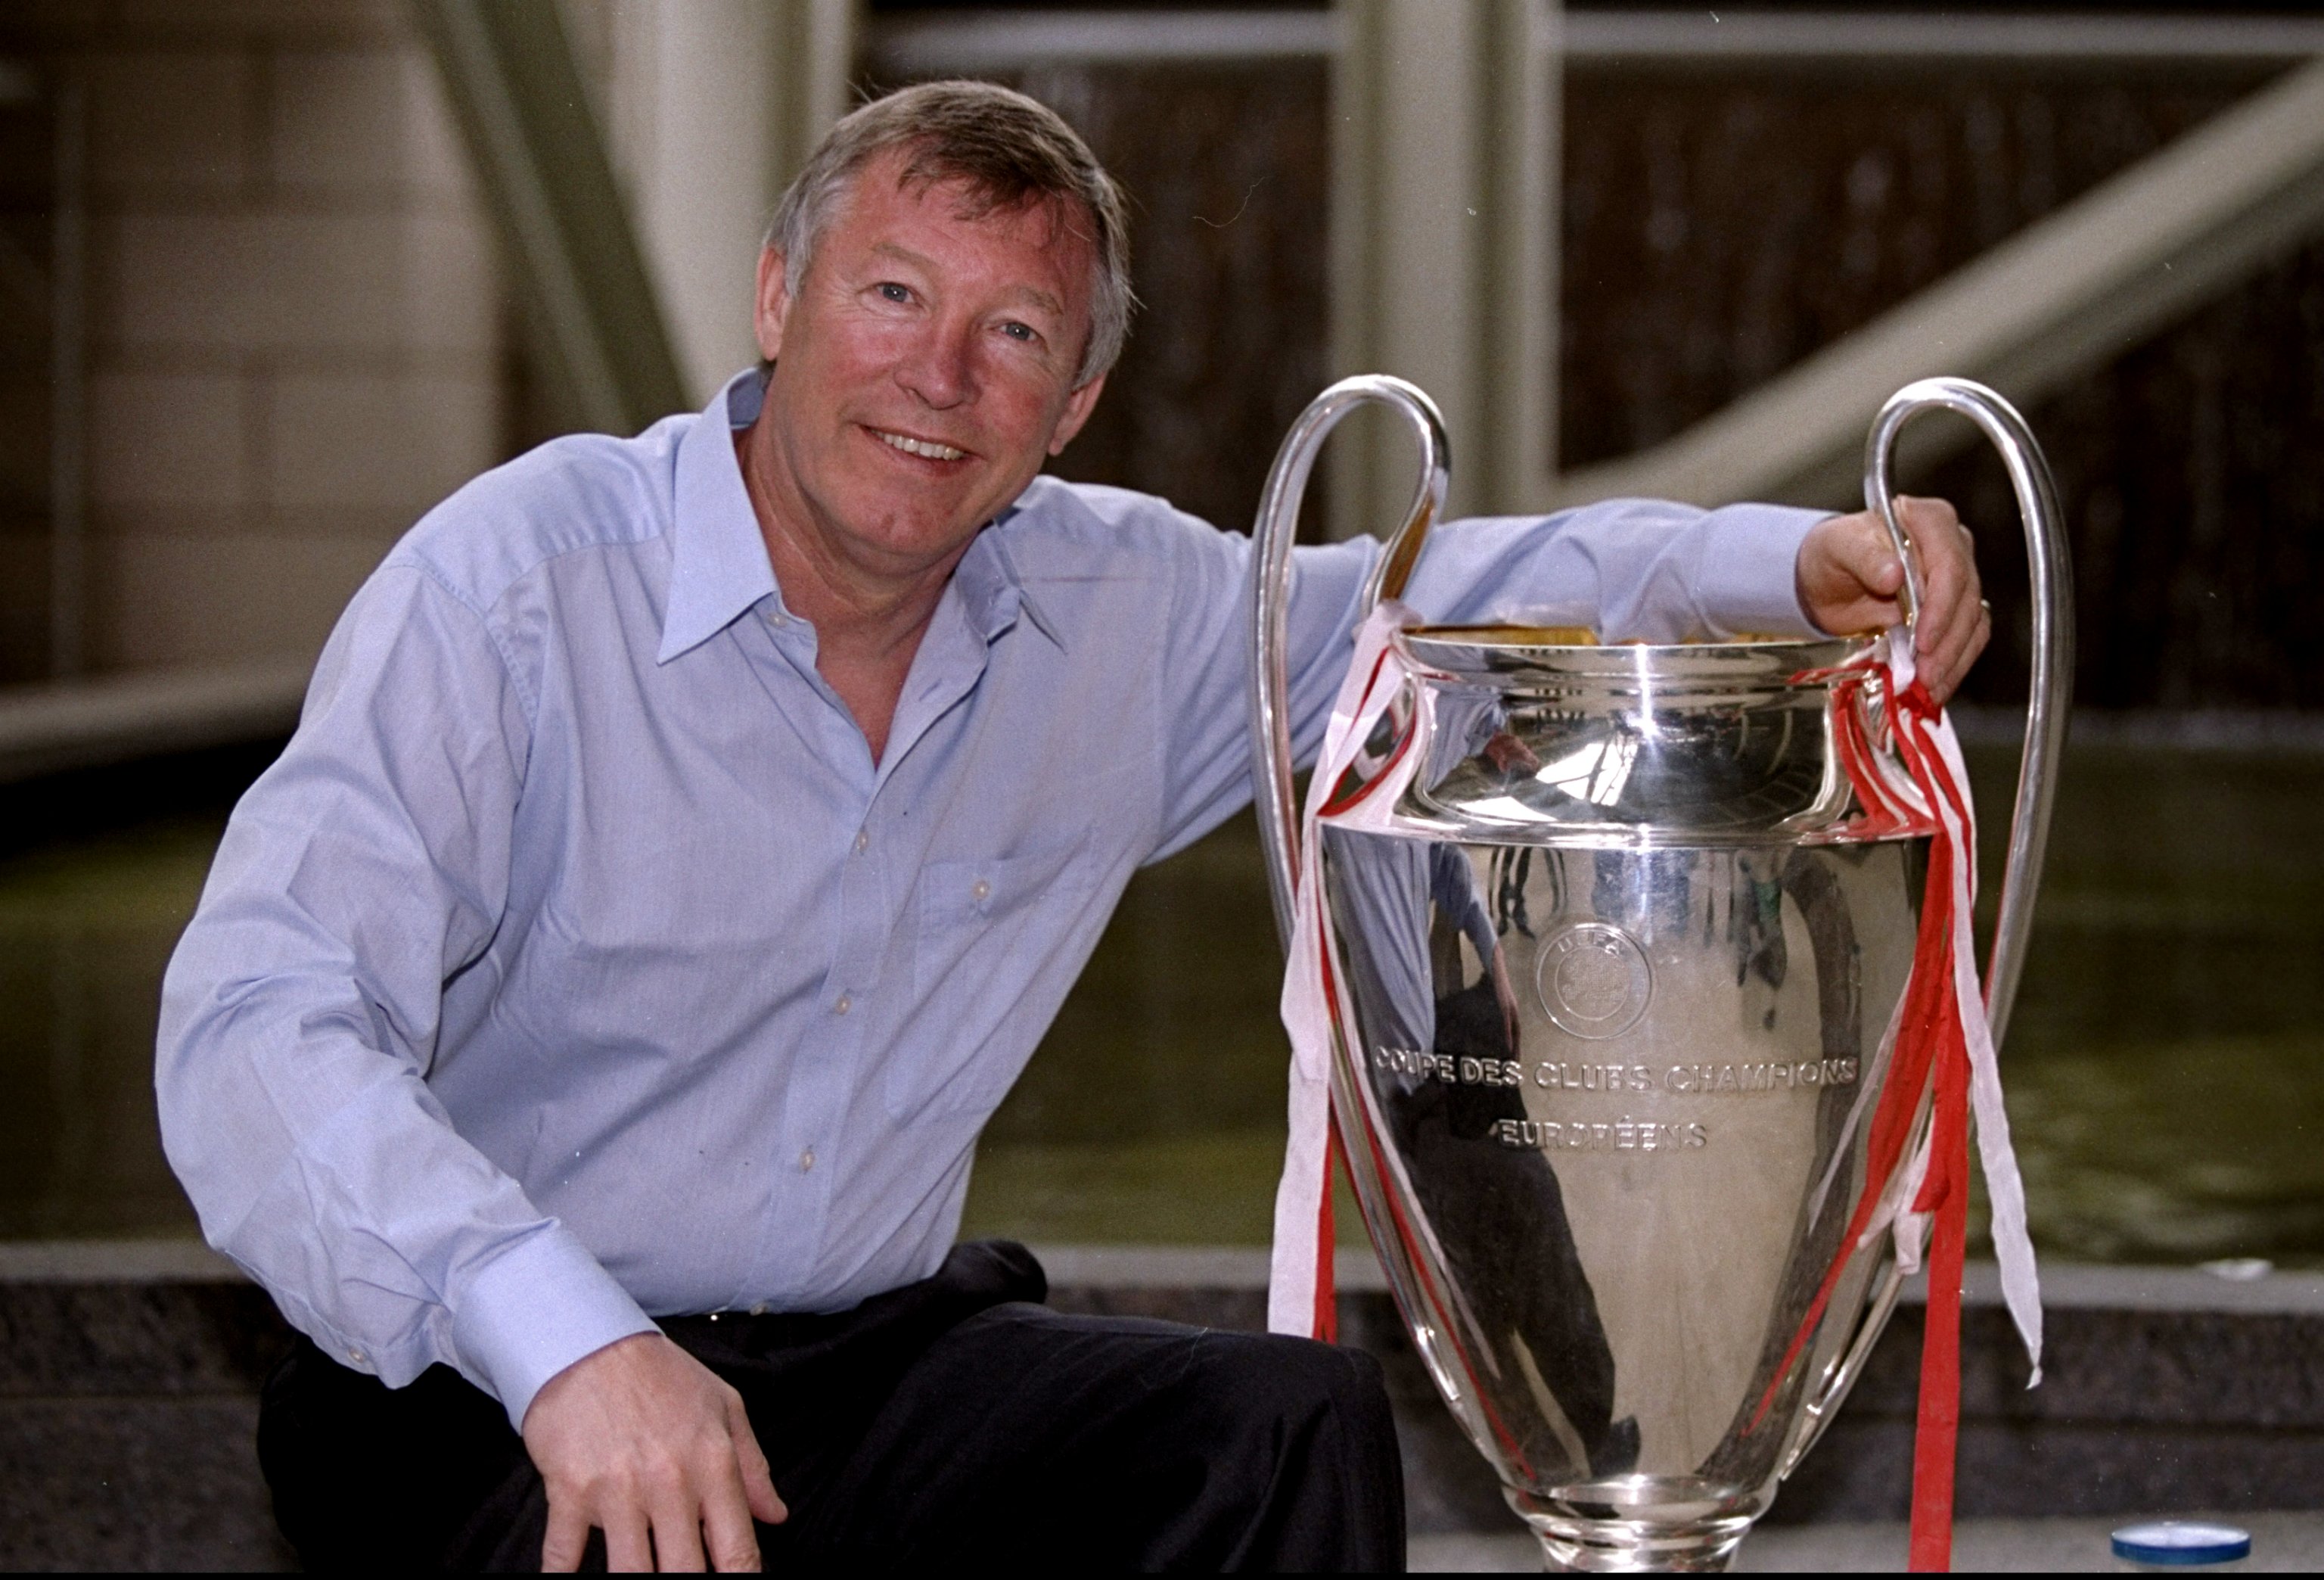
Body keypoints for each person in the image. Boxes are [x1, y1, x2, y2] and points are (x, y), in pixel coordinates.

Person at [156, 79, 1989, 1572]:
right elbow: (256, 1026)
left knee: (1290, 1431)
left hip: (866, 1367)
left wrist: (1787, 568)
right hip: (483, 1391)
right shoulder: (515, 588)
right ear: (780, 298)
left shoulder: (1125, 618)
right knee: (650, 1535)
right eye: (893, 296)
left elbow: (1449, 601)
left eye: (1011, 331)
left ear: (1075, 405)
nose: (939, 378)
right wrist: (561, 1334)